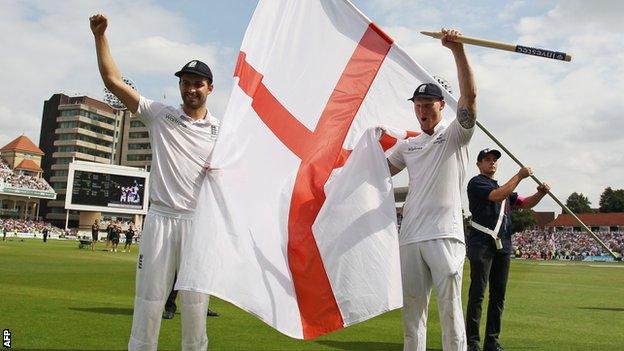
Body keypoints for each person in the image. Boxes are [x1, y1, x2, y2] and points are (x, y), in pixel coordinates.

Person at [90, 13, 220, 351]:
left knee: (195, 308)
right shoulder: (160, 115)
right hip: (161, 219)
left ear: (210, 88)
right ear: (180, 86)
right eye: (186, 82)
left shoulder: (223, 132)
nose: (191, 88)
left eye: (197, 83)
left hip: (198, 224)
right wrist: (100, 36)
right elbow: (112, 81)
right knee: (148, 303)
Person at [386, 28, 477, 351]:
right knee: (412, 317)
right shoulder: (408, 146)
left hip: (445, 235)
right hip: (410, 235)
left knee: (451, 313)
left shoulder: (455, 135)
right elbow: (374, 170)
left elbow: (470, 100)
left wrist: (458, 51)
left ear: (442, 105)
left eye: (428, 104)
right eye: (418, 105)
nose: (422, 110)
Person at [465, 148, 550, 351]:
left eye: (494, 160)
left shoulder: (505, 188)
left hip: (503, 245)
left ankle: (492, 342)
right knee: (477, 294)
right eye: (487, 159)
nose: (492, 163)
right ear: (479, 164)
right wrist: (519, 176)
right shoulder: (477, 183)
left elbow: (525, 203)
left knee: (498, 295)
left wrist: (540, 193)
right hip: (481, 243)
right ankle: (472, 343)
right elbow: (496, 196)